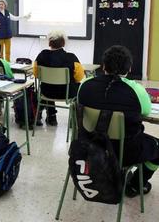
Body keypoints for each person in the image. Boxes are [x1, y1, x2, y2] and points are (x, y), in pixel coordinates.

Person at [78, 45, 158, 198]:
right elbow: (146, 111)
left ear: (103, 66)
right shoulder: (137, 90)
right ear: (129, 69)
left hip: (89, 147)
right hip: (125, 152)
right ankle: (135, 185)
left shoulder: (85, 85)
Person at [34, 30, 84, 126]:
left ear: (49, 43)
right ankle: (73, 122)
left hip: (46, 92)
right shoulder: (71, 57)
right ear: (63, 43)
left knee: (49, 85)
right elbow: (79, 77)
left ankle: (51, 117)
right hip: (66, 93)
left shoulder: (41, 55)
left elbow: (36, 74)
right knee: (78, 86)